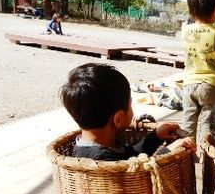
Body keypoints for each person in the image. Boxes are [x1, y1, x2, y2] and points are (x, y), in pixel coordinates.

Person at [60, 63, 195, 161]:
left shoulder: (103, 142)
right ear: (118, 119)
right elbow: (138, 172)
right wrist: (168, 151)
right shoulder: (101, 159)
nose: (132, 110)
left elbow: (132, 156)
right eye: (130, 106)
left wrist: (155, 137)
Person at [181, 0, 215, 141]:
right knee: (208, 121)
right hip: (210, 84)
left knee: (188, 121)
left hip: (189, 84)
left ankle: (184, 156)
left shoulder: (185, 30)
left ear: (191, 9)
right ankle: (205, 155)